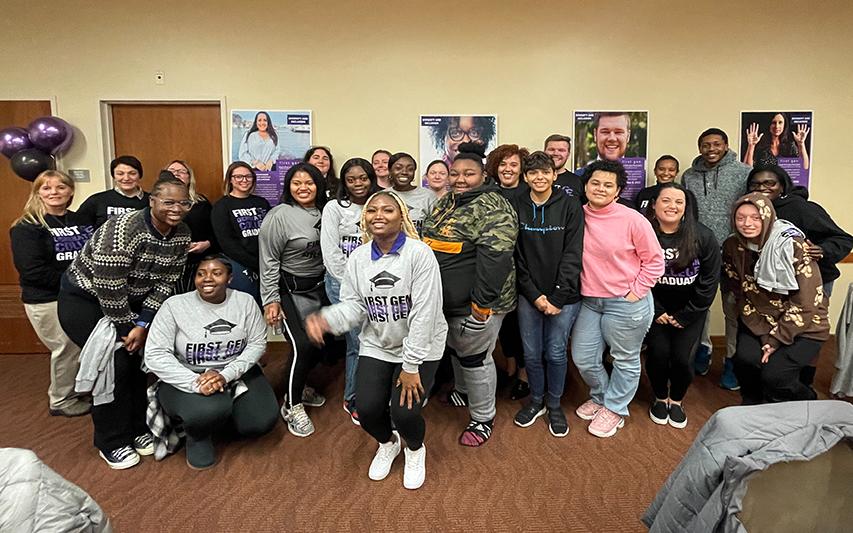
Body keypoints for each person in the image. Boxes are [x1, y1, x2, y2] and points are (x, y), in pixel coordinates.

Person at [306, 191, 447, 490]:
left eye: (387, 210)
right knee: (366, 410)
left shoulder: (419, 254)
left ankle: (414, 449)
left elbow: (425, 315)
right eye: (372, 210)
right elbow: (355, 306)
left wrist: (411, 366)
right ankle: (388, 443)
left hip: (421, 347)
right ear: (364, 218)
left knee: (405, 411)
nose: (379, 215)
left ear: (402, 217)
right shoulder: (358, 258)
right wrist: (328, 319)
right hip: (378, 344)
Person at [57, 173, 191, 469]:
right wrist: (125, 329)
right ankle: (112, 441)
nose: (177, 208)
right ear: (152, 200)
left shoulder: (182, 234)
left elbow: (167, 282)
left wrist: (142, 324)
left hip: (133, 304)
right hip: (86, 300)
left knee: (136, 366)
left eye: (184, 203)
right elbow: (108, 285)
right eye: (169, 201)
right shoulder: (122, 228)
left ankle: (138, 429)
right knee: (113, 365)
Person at [422, 142, 518, 447]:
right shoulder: (446, 202)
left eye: (469, 173)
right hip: (446, 301)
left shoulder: (494, 206)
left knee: (475, 357)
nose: (460, 178)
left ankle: (482, 417)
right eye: (455, 173)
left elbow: (497, 259)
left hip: (480, 302)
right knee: (456, 349)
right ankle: (462, 392)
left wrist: (481, 307)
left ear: (483, 175)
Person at [144, 255, 278, 470]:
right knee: (209, 410)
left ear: (229, 278)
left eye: (217, 273)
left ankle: (223, 417)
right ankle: (197, 436)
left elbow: (257, 344)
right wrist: (196, 382)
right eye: (201, 273)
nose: (207, 279)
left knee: (260, 422)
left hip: (234, 371)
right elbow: (155, 354)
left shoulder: (244, 302)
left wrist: (225, 375)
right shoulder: (174, 305)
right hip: (187, 375)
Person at [570, 159, 664, 438]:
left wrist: (636, 292)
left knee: (625, 358)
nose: (600, 188)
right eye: (594, 182)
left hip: (625, 302)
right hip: (590, 300)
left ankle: (616, 408)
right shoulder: (576, 215)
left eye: (608, 185)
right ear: (585, 185)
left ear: (618, 190)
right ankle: (601, 397)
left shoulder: (632, 219)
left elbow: (655, 261)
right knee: (584, 358)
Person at [723, 193, 829, 404]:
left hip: (804, 324)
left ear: (767, 217)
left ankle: (808, 401)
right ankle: (752, 403)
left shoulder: (793, 245)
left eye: (755, 217)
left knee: (775, 375)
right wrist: (763, 334)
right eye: (740, 217)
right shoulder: (732, 246)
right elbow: (740, 293)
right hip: (758, 318)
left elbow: (807, 301)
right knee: (745, 360)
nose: (747, 224)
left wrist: (776, 338)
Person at [510, 151, 583, 436]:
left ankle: (554, 405)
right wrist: (534, 294)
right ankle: (536, 401)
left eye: (545, 172)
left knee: (555, 352)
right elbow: (515, 256)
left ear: (555, 175)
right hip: (529, 295)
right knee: (530, 353)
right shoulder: (515, 204)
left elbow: (573, 253)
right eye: (533, 173)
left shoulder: (571, 205)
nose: (539, 177)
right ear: (525, 177)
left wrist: (556, 297)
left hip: (564, 296)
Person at [10, 170, 93, 418]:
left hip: (80, 297)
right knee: (65, 347)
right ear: (38, 193)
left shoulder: (80, 220)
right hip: (46, 299)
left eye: (60, 187)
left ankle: (78, 390)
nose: (54, 193)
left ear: (71, 192)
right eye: (46, 188)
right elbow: (32, 270)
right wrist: (75, 282)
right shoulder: (27, 227)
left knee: (81, 345)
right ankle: (61, 399)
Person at [259, 163, 333, 437]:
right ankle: (291, 404)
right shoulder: (279, 216)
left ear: (319, 185)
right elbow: (268, 261)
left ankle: (298, 385)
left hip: (321, 288)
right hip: (288, 291)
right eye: (296, 183)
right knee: (302, 346)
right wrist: (270, 300)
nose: (303, 188)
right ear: (288, 186)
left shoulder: (328, 211)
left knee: (316, 344)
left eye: (309, 183)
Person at [644, 183, 720, 428]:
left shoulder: (703, 235)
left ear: (686, 208)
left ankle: (675, 400)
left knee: (682, 359)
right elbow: (632, 273)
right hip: (654, 311)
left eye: (679, 202)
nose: (672, 206)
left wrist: (688, 314)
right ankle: (659, 398)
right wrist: (656, 310)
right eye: (665, 200)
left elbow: (709, 280)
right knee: (658, 355)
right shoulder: (643, 232)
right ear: (654, 205)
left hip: (690, 311)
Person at [681, 128, 751, 390]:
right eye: (705, 144)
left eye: (716, 144)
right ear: (700, 148)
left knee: (733, 311)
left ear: (726, 145)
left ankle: (731, 361)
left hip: (736, 254)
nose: (711, 148)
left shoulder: (743, 173)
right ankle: (703, 350)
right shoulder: (689, 176)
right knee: (699, 307)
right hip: (701, 252)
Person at [321, 158, 382, 424]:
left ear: (371, 178)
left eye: (363, 178)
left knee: (377, 338)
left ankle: (374, 392)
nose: (358, 184)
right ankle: (352, 396)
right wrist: (353, 280)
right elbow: (331, 252)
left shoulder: (379, 205)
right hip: (342, 282)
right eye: (351, 179)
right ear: (343, 182)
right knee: (357, 341)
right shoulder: (335, 208)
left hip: (376, 283)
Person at [746, 164, 853, 297]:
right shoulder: (749, 210)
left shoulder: (801, 208)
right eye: (755, 184)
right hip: (773, 281)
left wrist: (822, 249)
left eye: (769, 183)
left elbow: (843, 239)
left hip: (812, 279)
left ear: (782, 186)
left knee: (807, 317)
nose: (761, 188)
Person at [485, 144, 531, 398]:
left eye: (514, 164)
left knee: (519, 324)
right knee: (503, 325)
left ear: (522, 168)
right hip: (497, 270)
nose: (508, 169)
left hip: (524, 268)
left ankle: (524, 375)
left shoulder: (529, 194)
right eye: (503, 164)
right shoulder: (488, 194)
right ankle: (511, 368)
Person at [210, 162, 270, 305]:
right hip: (240, 265)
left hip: (267, 263)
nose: (244, 180)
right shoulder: (222, 206)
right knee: (245, 306)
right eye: (238, 176)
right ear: (230, 179)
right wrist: (256, 264)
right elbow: (227, 244)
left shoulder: (262, 203)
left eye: (248, 176)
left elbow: (271, 234)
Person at [165, 161, 217, 293]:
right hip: (167, 265)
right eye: (172, 171)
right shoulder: (155, 203)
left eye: (181, 171)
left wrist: (207, 244)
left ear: (189, 178)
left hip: (197, 264)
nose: (176, 174)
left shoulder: (201, 203)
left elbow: (216, 232)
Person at [77, 155, 149, 229]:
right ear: (114, 176)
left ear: (139, 175)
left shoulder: (152, 200)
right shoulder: (96, 201)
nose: (126, 178)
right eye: (120, 174)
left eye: (132, 173)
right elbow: (80, 228)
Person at [386, 152, 437, 236]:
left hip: (421, 247)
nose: (404, 172)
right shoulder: (382, 196)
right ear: (390, 171)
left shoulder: (428, 196)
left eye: (410, 169)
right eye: (398, 168)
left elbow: (435, 229)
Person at [744, 113, 810, 169]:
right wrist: (751, 145)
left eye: (780, 122)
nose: (777, 126)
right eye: (773, 123)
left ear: (784, 125)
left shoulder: (790, 145)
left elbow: (804, 167)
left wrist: (801, 144)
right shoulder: (760, 145)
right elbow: (747, 169)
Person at [429, 116, 496, 166]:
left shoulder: (490, 176)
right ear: (443, 138)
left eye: (474, 133)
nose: (465, 141)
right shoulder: (433, 178)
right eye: (455, 133)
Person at [544, 134, 584, 200]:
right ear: (544, 152)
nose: (556, 153)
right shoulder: (536, 180)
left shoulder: (578, 182)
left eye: (561, 150)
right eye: (551, 149)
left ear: (568, 155)